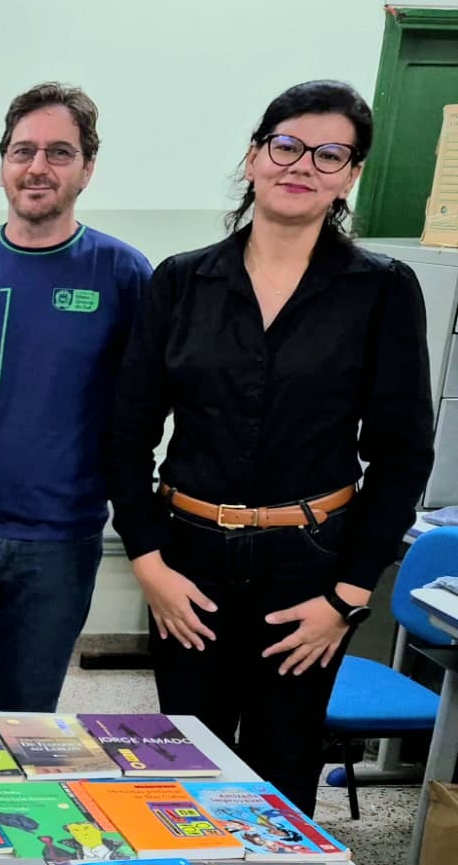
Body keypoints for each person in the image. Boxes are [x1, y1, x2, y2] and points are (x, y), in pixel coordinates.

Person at [107, 79, 433, 820]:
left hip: (309, 567)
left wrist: (348, 598)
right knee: (186, 766)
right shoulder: (182, 281)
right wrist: (149, 563)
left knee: (283, 767)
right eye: (286, 145)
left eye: (329, 154)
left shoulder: (380, 290)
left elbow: (402, 454)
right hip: (187, 561)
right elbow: (125, 434)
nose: (302, 165)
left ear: (351, 176)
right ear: (254, 156)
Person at [0, 82, 151, 713]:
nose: (38, 167)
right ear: (3, 165)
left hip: (63, 539)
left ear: (87, 169)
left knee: (31, 717)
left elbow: (149, 401)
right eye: (23, 151)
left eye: (59, 152)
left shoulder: (124, 274)